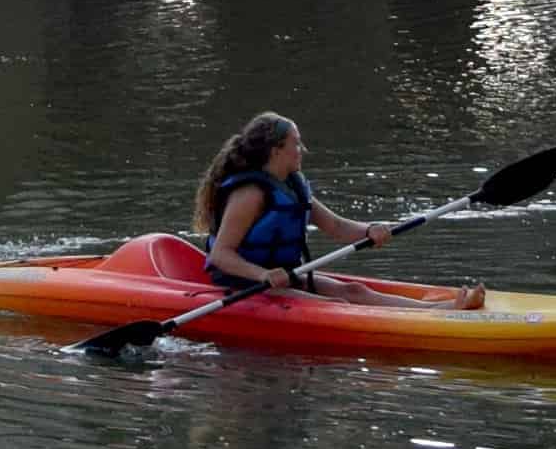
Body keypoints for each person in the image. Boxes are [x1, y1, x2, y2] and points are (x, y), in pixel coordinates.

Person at [189, 110, 479, 308]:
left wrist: (369, 230)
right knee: (333, 305)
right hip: (245, 284)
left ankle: (439, 309)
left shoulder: (290, 187)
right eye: (296, 144)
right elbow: (220, 255)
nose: (301, 150)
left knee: (354, 292)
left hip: (280, 278)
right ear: (276, 150)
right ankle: (435, 315)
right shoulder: (249, 194)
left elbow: (336, 227)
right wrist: (262, 275)